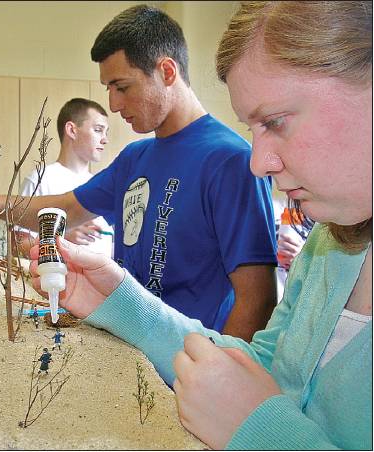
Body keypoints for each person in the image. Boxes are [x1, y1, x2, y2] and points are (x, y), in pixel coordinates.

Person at [27, 2, 372, 449]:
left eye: (276, 122)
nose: (259, 162)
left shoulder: (223, 161)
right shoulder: (327, 246)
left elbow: (254, 311)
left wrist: (258, 428)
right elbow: (265, 363)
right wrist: (120, 300)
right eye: (254, 129)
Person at [0, 5, 278, 341]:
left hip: (189, 363)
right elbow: (65, 209)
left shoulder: (231, 161)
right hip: (128, 349)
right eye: (108, 89)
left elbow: (257, 298)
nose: (113, 104)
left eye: (122, 87)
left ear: (167, 72)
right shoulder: (134, 158)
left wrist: (219, 373)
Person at [15, 98, 114, 258]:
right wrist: (62, 239)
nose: (105, 139)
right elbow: (17, 244)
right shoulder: (40, 180)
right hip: (56, 281)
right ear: (72, 130)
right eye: (98, 130)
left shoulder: (102, 185)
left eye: (106, 132)